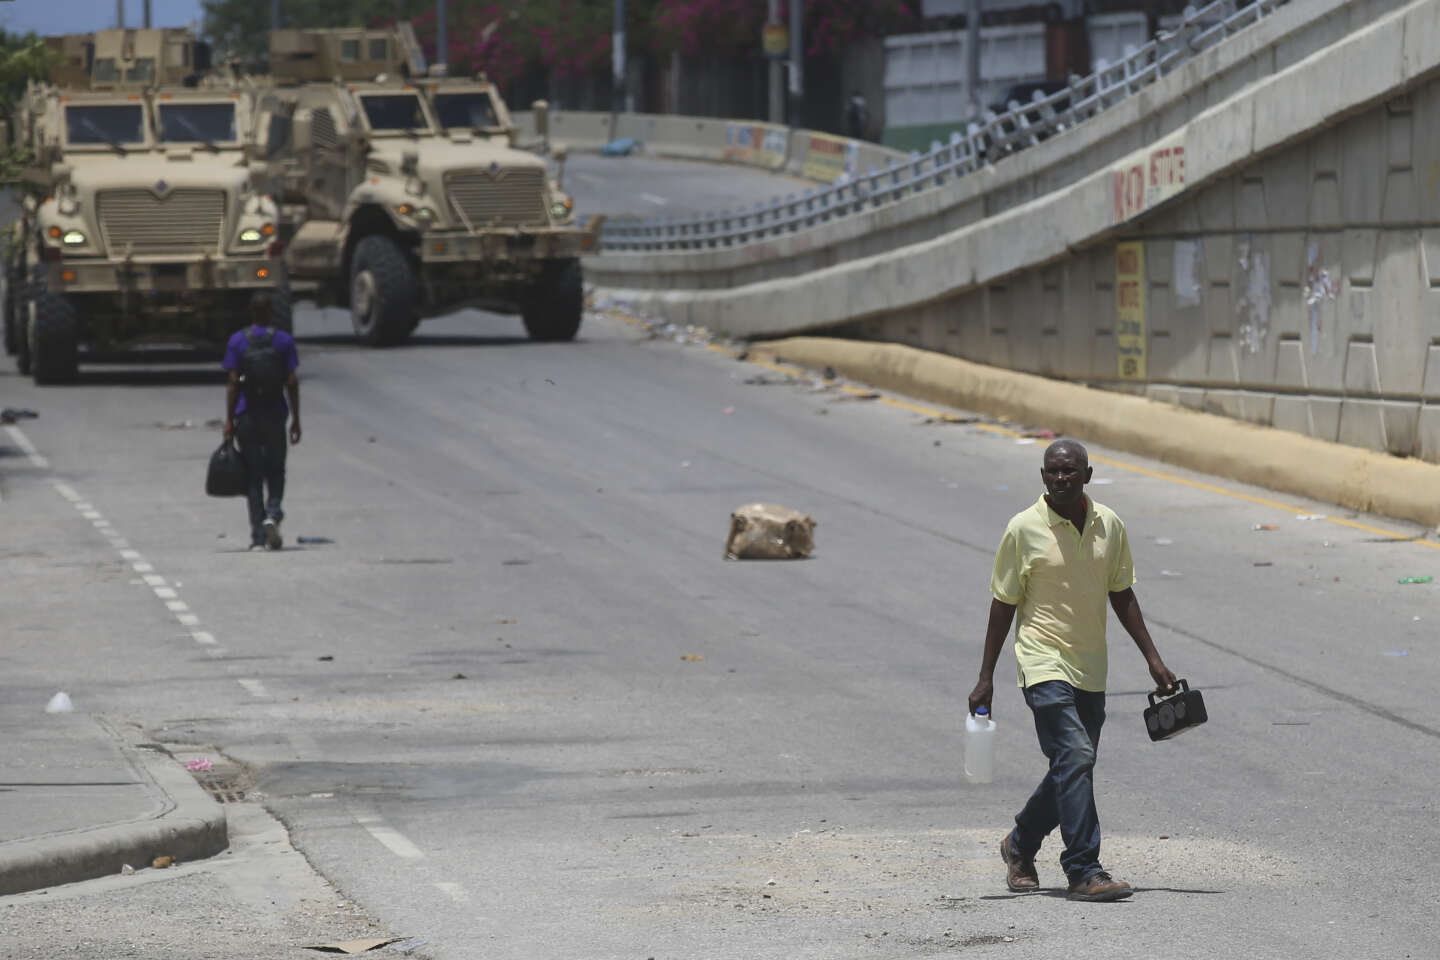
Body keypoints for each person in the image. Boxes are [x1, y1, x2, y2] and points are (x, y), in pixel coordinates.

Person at [967, 439, 1177, 902]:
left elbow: (1121, 593)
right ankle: (1083, 868)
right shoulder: (1023, 528)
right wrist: (986, 676)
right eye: (1051, 472)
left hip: (1090, 666)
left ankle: (1019, 845)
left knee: (1072, 764)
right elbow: (1003, 603)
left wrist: (1153, 658)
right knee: (1076, 757)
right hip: (1042, 661)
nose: (1059, 479)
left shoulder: (1110, 525)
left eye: (1068, 471)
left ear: (1087, 474)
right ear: (1043, 476)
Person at [222, 294, 301, 551]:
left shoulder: (237, 341)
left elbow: (233, 383)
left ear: (250, 312)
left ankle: (258, 536)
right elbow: (291, 382)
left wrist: (229, 421)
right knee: (276, 470)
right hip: (275, 415)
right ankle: (273, 514)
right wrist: (296, 419)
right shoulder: (283, 340)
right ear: (271, 312)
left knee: (254, 476)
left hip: (247, 416)